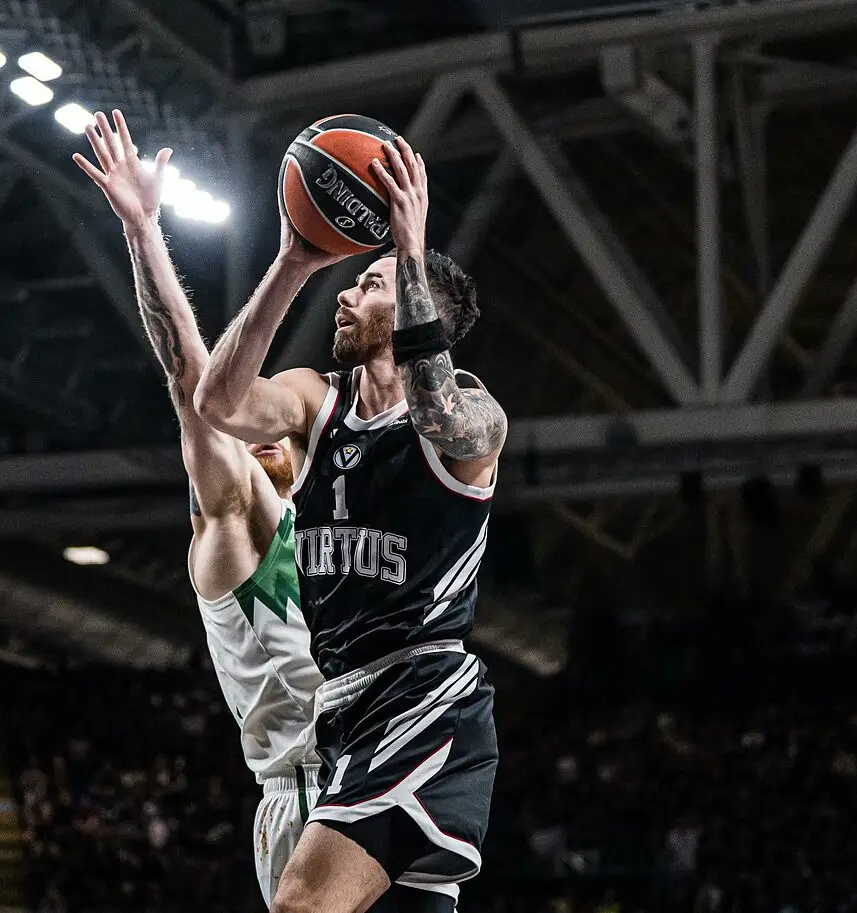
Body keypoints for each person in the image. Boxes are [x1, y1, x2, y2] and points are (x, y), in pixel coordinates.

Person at [196, 134, 504, 913]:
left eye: (363, 284)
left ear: (405, 303)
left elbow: (437, 414)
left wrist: (407, 251)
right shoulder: (316, 402)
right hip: (342, 709)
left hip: (423, 697)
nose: (345, 294)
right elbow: (219, 403)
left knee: (301, 903)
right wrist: (292, 264)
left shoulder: (475, 417)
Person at [72, 109, 321, 905]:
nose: (266, 437)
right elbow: (193, 384)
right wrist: (144, 230)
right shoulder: (241, 519)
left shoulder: (334, 524)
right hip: (311, 790)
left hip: (379, 777)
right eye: (253, 434)